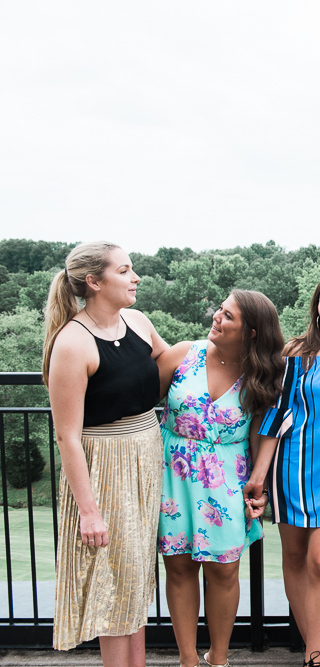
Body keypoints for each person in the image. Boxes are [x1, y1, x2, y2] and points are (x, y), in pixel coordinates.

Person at [42, 241, 168, 666]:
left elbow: (169, 366)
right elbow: (67, 437)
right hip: (106, 466)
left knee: (134, 579)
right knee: (114, 582)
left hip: (146, 455)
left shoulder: (137, 322)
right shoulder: (73, 343)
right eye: (125, 270)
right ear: (94, 282)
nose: (135, 278)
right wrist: (89, 511)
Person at [243, 271, 320, 667]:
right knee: (295, 559)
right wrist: (259, 477)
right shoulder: (296, 354)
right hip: (292, 468)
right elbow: (276, 416)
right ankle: (313, 652)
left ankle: (315, 653)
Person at [156, 289, 284, 667]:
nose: (216, 317)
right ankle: (188, 660)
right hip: (173, 476)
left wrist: (259, 484)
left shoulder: (260, 374)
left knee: (224, 570)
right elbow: (135, 395)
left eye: (228, 316)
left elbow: (264, 434)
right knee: (179, 567)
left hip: (228, 479)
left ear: (252, 333)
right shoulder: (183, 354)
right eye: (220, 310)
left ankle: (219, 659)